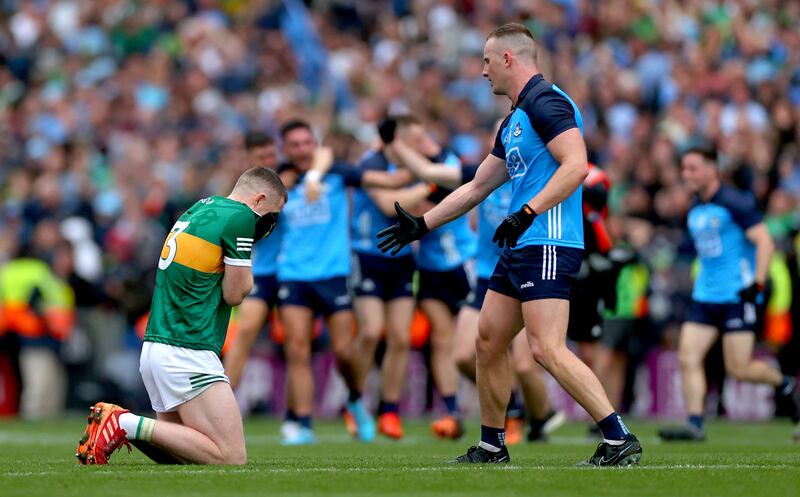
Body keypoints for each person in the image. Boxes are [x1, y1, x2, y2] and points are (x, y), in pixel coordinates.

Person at [377, 23, 641, 466]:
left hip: (549, 239)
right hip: (522, 244)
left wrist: (528, 211)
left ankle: (619, 437)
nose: (481, 72)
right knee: (486, 341)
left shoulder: (546, 101)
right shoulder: (514, 119)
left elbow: (576, 166)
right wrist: (423, 224)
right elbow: (477, 185)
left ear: (507, 59)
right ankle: (492, 444)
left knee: (545, 349)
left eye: (486, 61)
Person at [75, 167, 287, 465]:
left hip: (158, 347)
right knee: (231, 456)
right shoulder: (240, 216)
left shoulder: (200, 207)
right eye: (271, 214)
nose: (269, 224)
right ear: (258, 199)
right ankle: (123, 423)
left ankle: (126, 427)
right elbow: (235, 293)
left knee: (182, 457)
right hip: (189, 348)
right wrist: (249, 276)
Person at [387, 122, 565, 443]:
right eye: (505, 134)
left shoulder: (538, 178)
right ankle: (514, 409)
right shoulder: (486, 172)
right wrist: (394, 143)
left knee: (528, 361)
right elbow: (431, 171)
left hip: (529, 269)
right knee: (463, 355)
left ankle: (541, 418)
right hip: (487, 273)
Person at [275, 119, 410, 445]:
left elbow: (388, 180)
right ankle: (303, 424)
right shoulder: (280, 181)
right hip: (293, 274)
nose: (301, 149)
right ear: (286, 149)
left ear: (314, 144)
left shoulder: (336, 173)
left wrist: (411, 164)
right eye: (294, 144)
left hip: (334, 275)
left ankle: (354, 398)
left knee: (344, 352)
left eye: (307, 142)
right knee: (297, 350)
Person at [658, 146, 800, 442]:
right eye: (684, 168)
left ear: (712, 169)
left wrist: (758, 283)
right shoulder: (696, 207)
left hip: (738, 296)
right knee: (688, 355)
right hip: (705, 296)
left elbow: (764, 242)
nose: (686, 174)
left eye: (693, 168)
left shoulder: (735, 202)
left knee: (740, 368)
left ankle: (784, 383)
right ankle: (695, 423)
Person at [381, 115, 478, 439]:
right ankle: (452, 412)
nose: (428, 144)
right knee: (441, 339)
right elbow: (395, 207)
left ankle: (514, 407)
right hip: (430, 266)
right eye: (418, 140)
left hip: (462, 260)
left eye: (426, 138)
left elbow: (424, 204)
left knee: (485, 340)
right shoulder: (400, 173)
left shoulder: (447, 161)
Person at [350, 136, 434, 440]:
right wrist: (431, 184)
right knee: (372, 331)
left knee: (400, 337)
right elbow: (388, 204)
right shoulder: (371, 165)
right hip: (368, 254)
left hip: (401, 259)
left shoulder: (415, 169)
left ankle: (389, 410)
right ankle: (355, 401)